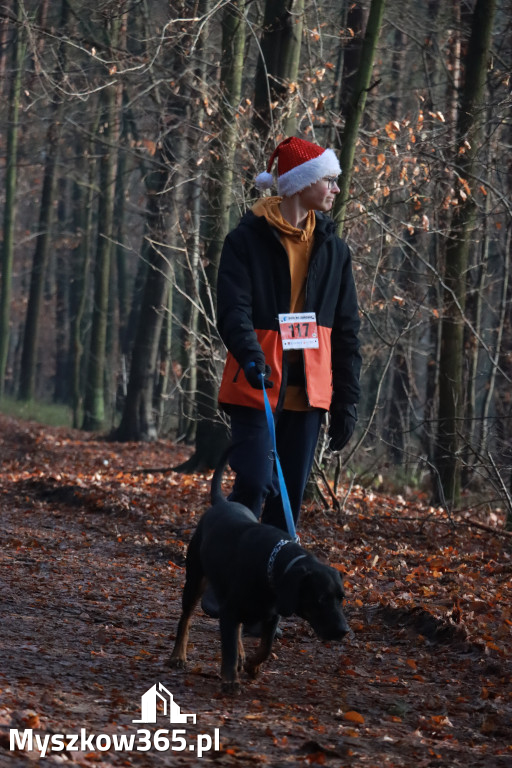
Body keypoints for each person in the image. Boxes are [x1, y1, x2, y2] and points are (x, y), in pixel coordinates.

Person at [216, 135, 362, 534]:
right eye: (329, 179)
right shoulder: (245, 240)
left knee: (287, 500)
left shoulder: (336, 252)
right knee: (254, 483)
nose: (336, 188)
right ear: (302, 182)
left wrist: (346, 401)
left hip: (309, 394)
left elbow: (348, 332)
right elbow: (233, 310)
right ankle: (224, 572)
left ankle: (270, 593)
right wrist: (249, 357)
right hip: (256, 383)